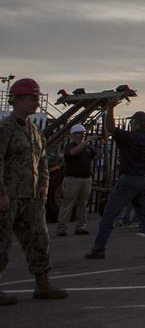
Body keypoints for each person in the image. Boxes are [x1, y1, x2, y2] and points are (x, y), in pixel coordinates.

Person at [86, 101, 145, 260]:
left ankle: (99, 248)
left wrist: (110, 108)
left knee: (109, 214)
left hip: (129, 179)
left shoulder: (128, 137)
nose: (130, 123)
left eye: (131, 121)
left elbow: (110, 128)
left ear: (135, 123)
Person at [0, 78, 68, 303]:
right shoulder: (4, 129)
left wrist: (44, 187)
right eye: (32, 98)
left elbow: (42, 163)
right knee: (1, 242)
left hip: (31, 198)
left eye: (37, 98)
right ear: (17, 100)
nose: (37, 103)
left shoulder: (35, 131)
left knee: (39, 238)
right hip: (8, 197)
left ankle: (43, 284)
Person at [57, 123, 95, 236]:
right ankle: (62, 227)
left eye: (83, 133)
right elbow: (73, 153)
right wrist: (86, 142)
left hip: (86, 179)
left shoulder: (87, 147)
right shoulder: (70, 146)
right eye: (79, 134)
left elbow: (94, 157)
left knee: (83, 203)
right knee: (68, 203)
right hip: (72, 179)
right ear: (73, 135)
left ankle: (81, 226)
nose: (82, 135)